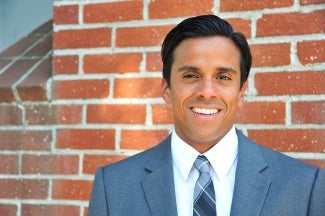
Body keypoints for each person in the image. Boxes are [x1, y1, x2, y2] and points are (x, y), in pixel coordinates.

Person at [88, 15, 325, 216]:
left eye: (223, 77)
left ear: (241, 92)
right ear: (166, 89)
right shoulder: (113, 186)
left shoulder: (305, 187)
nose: (206, 92)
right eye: (191, 75)